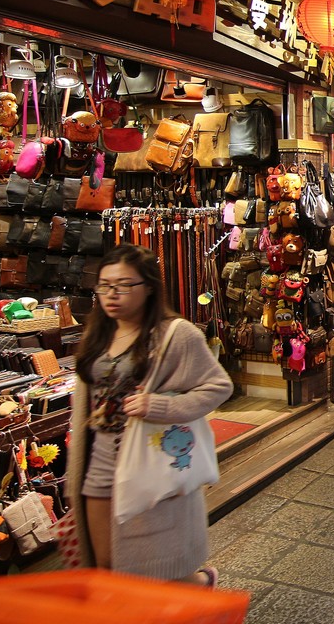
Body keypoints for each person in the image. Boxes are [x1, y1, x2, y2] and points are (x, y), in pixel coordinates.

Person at [65, 245, 232, 584]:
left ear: (150, 287)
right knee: (106, 562)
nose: (112, 294)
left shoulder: (176, 334)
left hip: (150, 460)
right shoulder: (99, 333)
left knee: (156, 567)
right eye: (105, 285)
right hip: (99, 461)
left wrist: (159, 406)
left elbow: (218, 386)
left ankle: (199, 585)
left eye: (124, 285)